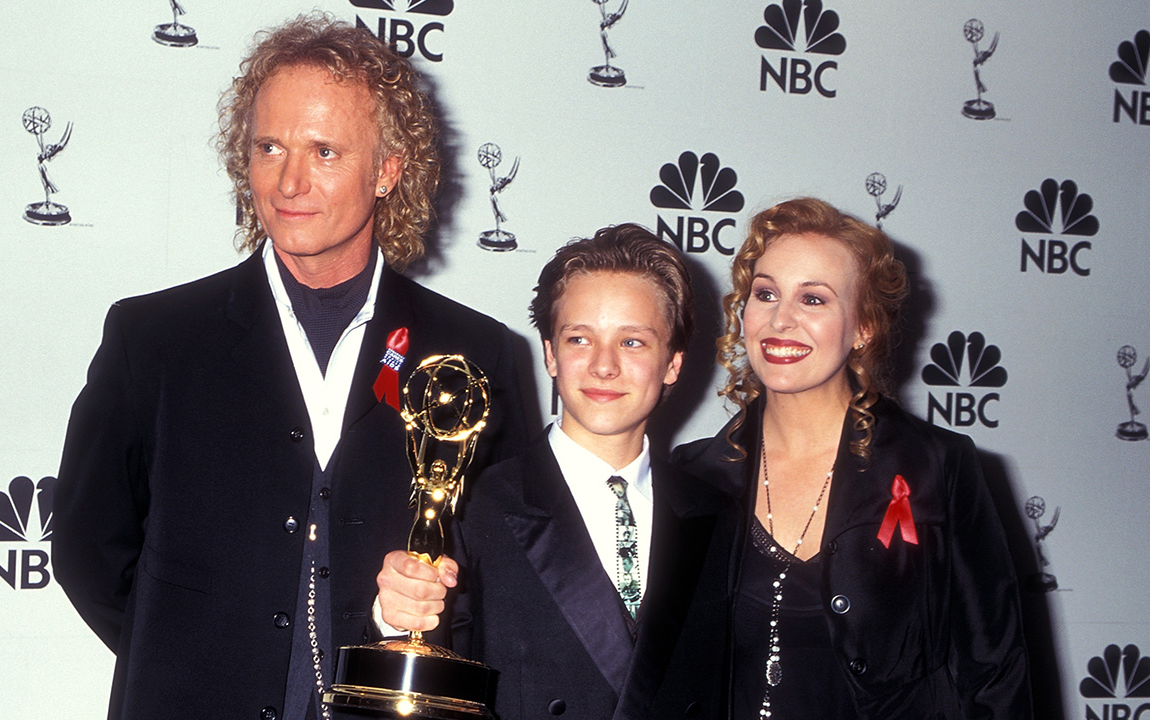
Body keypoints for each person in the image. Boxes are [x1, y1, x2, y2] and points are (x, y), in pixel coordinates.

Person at [52, 14, 528, 720]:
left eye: (325, 151)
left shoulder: (475, 354)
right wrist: (186, 658)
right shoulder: (153, 340)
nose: (289, 180)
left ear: (389, 169)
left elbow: (506, 577)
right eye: (268, 146)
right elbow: (88, 549)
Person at [674, 197, 1032, 718]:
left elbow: (995, 671)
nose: (781, 319)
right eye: (766, 293)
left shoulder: (937, 466)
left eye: (813, 300)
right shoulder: (693, 476)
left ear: (864, 326)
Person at [376, 224, 727, 720]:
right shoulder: (474, 504)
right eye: (580, 338)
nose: (604, 366)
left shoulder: (717, 515)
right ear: (550, 355)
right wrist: (395, 618)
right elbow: (428, 677)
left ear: (672, 363)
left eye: (633, 342)